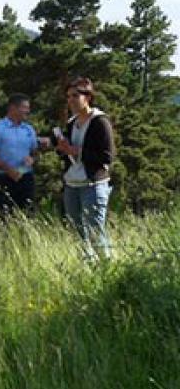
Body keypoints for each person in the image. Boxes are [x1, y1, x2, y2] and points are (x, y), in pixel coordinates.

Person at [56, 77, 114, 260]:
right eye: (68, 96)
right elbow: (69, 154)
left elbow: (107, 156)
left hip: (93, 185)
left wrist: (76, 151)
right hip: (72, 185)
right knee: (77, 232)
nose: (70, 100)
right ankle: (88, 269)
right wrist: (63, 149)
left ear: (87, 97)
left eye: (75, 96)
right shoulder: (72, 123)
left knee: (96, 232)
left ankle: (107, 268)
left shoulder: (100, 122)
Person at [0, 93, 48, 212]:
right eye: (25, 107)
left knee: (27, 213)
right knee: (4, 215)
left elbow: (35, 153)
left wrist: (32, 159)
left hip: (25, 177)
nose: (28, 111)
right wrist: (9, 170)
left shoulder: (29, 129)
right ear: (13, 108)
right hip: (4, 178)